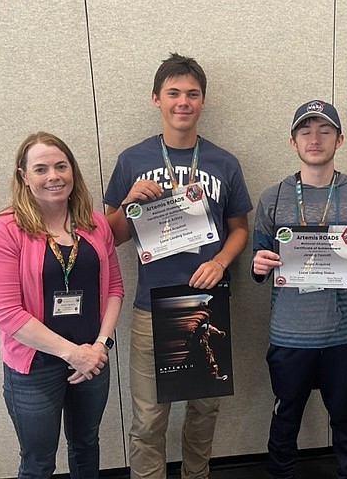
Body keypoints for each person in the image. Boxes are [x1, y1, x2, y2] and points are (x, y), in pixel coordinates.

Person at [104, 53, 252, 479]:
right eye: (173, 93)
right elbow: (111, 235)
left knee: (204, 413)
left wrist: (222, 260)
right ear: (156, 99)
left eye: (192, 93)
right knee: (149, 419)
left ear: (203, 102)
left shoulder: (224, 162)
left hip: (207, 304)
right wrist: (130, 201)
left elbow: (239, 227)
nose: (182, 101)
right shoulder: (132, 160)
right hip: (151, 309)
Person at [0, 132, 124, 478]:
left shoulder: (94, 222)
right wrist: (74, 354)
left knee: (86, 446)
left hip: (93, 357)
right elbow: (7, 315)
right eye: (40, 169)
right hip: (35, 368)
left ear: (73, 171)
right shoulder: (3, 230)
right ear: (24, 177)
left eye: (61, 166)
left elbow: (114, 287)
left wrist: (99, 346)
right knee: (39, 462)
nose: (53, 176)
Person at [252, 100, 347, 479]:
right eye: (305, 131)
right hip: (289, 334)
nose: (315, 138)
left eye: (324, 130)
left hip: (342, 336)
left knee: (344, 415)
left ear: (339, 139)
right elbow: (259, 266)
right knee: (286, 416)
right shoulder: (272, 197)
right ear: (292, 141)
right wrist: (258, 266)